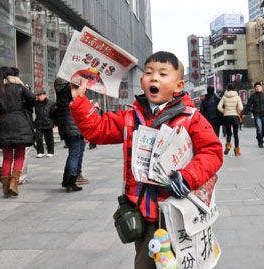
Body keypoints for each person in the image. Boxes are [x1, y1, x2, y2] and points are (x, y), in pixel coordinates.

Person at [69, 51, 223, 268]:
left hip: (179, 213)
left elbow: (212, 151)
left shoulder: (191, 118)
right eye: (149, 73)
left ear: (179, 86)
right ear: (141, 81)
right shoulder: (130, 117)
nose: (154, 78)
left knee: (184, 263)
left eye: (163, 74)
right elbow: (97, 129)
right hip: (144, 213)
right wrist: (79, 100)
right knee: (145, 263)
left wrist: (188, 177)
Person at [0, 67, 35, 197]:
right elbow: (32, 98)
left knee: (7, 158)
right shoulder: (19, 87)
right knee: (20, 155)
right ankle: (14, 183)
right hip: (20, 123)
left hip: (4, 123)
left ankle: (5, 188)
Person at [54, 78, 89, 192]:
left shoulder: (59, 93)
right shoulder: (70, 90)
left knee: (72, 154)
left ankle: (66, 180)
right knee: (75, 154)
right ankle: (71, 182)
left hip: (65, 127)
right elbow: (80, 102)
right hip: (75, 125)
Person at [242, 82, 264, 148]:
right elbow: (248, 105)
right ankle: (260, 142)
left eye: (259, 86)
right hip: (257, 114)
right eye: (256, 87)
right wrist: (244, 113)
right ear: (255, 88)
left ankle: (259, 137)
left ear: (261, 87)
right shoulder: (253, 96)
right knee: (259, 128)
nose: (257, 88)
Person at [217, 84, 243, 156]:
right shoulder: (237, 97)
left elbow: (219, 106)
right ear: (234, 88)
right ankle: (237, 151)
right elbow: (240, 108)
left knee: (228, 133)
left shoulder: (224, 97)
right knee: (235, 134)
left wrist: (224, 111)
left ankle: (228, 145)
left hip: (226, 117)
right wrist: (236, 112)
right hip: (235, 117)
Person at [34, 90, 57, 158]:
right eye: (38, 96)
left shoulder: (51, 103)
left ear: (45, 95)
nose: (39, 97)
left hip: (48, 123)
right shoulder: (36, 103)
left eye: (41, 95)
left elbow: (54, 113)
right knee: (38, 138)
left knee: (49, 138)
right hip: (38, 123)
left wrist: (53, 121)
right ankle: (40, 152)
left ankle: (50, 152)